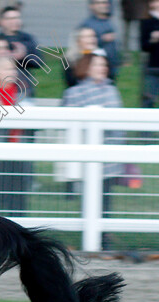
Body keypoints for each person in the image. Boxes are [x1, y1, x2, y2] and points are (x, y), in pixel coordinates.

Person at [62, 53, 124, 246]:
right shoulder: (74, 93)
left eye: (104, 65)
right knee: (90, 198)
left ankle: (104, 236)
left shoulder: (111, 90)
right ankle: (91, 238)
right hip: (87, 156)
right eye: (98, 65)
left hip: (110, 156)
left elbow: (119, 122)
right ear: (86, 67)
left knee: (106, 199)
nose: (103, 68)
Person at [0, 56, 33, 216]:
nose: (12, 72)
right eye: (7, 69)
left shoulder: (23, 95)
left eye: (13, 69)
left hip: (18, 155)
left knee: (17, 199)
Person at [79, 0, 120, 80]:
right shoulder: (88, 24)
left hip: (111, 65)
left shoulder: (108, 21)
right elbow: (83, 46)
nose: (102, 5)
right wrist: (102, 39)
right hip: (96, 69)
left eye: (104, 3)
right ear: (91, 6)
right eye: (98, 3)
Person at [141, 0, 159, 107]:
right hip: (153, 66)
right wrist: (153, 39)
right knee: (148, 99)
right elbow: (144, 46)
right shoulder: (147, 22)